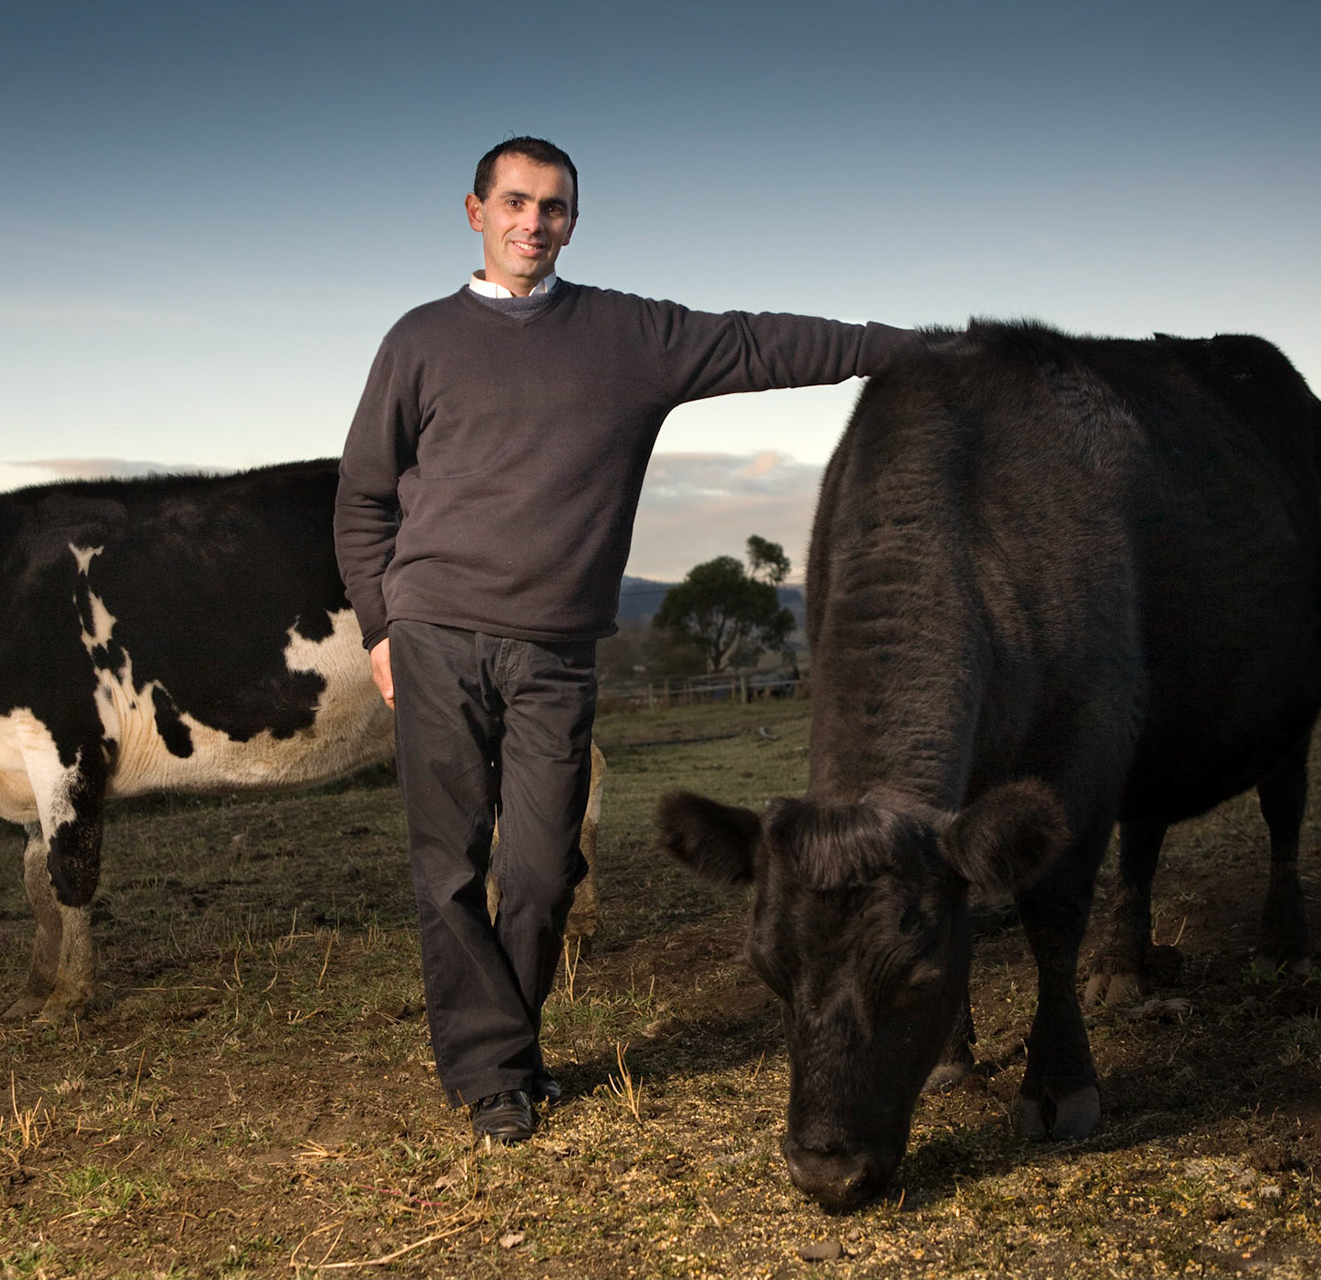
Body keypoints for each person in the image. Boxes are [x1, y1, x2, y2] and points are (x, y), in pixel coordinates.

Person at [334, 136, 916, 1145]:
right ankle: (496, 1077)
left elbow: (759, 341)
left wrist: (912, 350)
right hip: (434, 633)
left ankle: (504, 1048)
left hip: (555, 647)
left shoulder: (627, 334)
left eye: (554, 206)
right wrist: (382, 626)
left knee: (549, 868)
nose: (534, 221)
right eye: (515, 201)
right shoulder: (419, 339)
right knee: (450, 864)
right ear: (474, 211)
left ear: (572, 220)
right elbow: (363, 499)